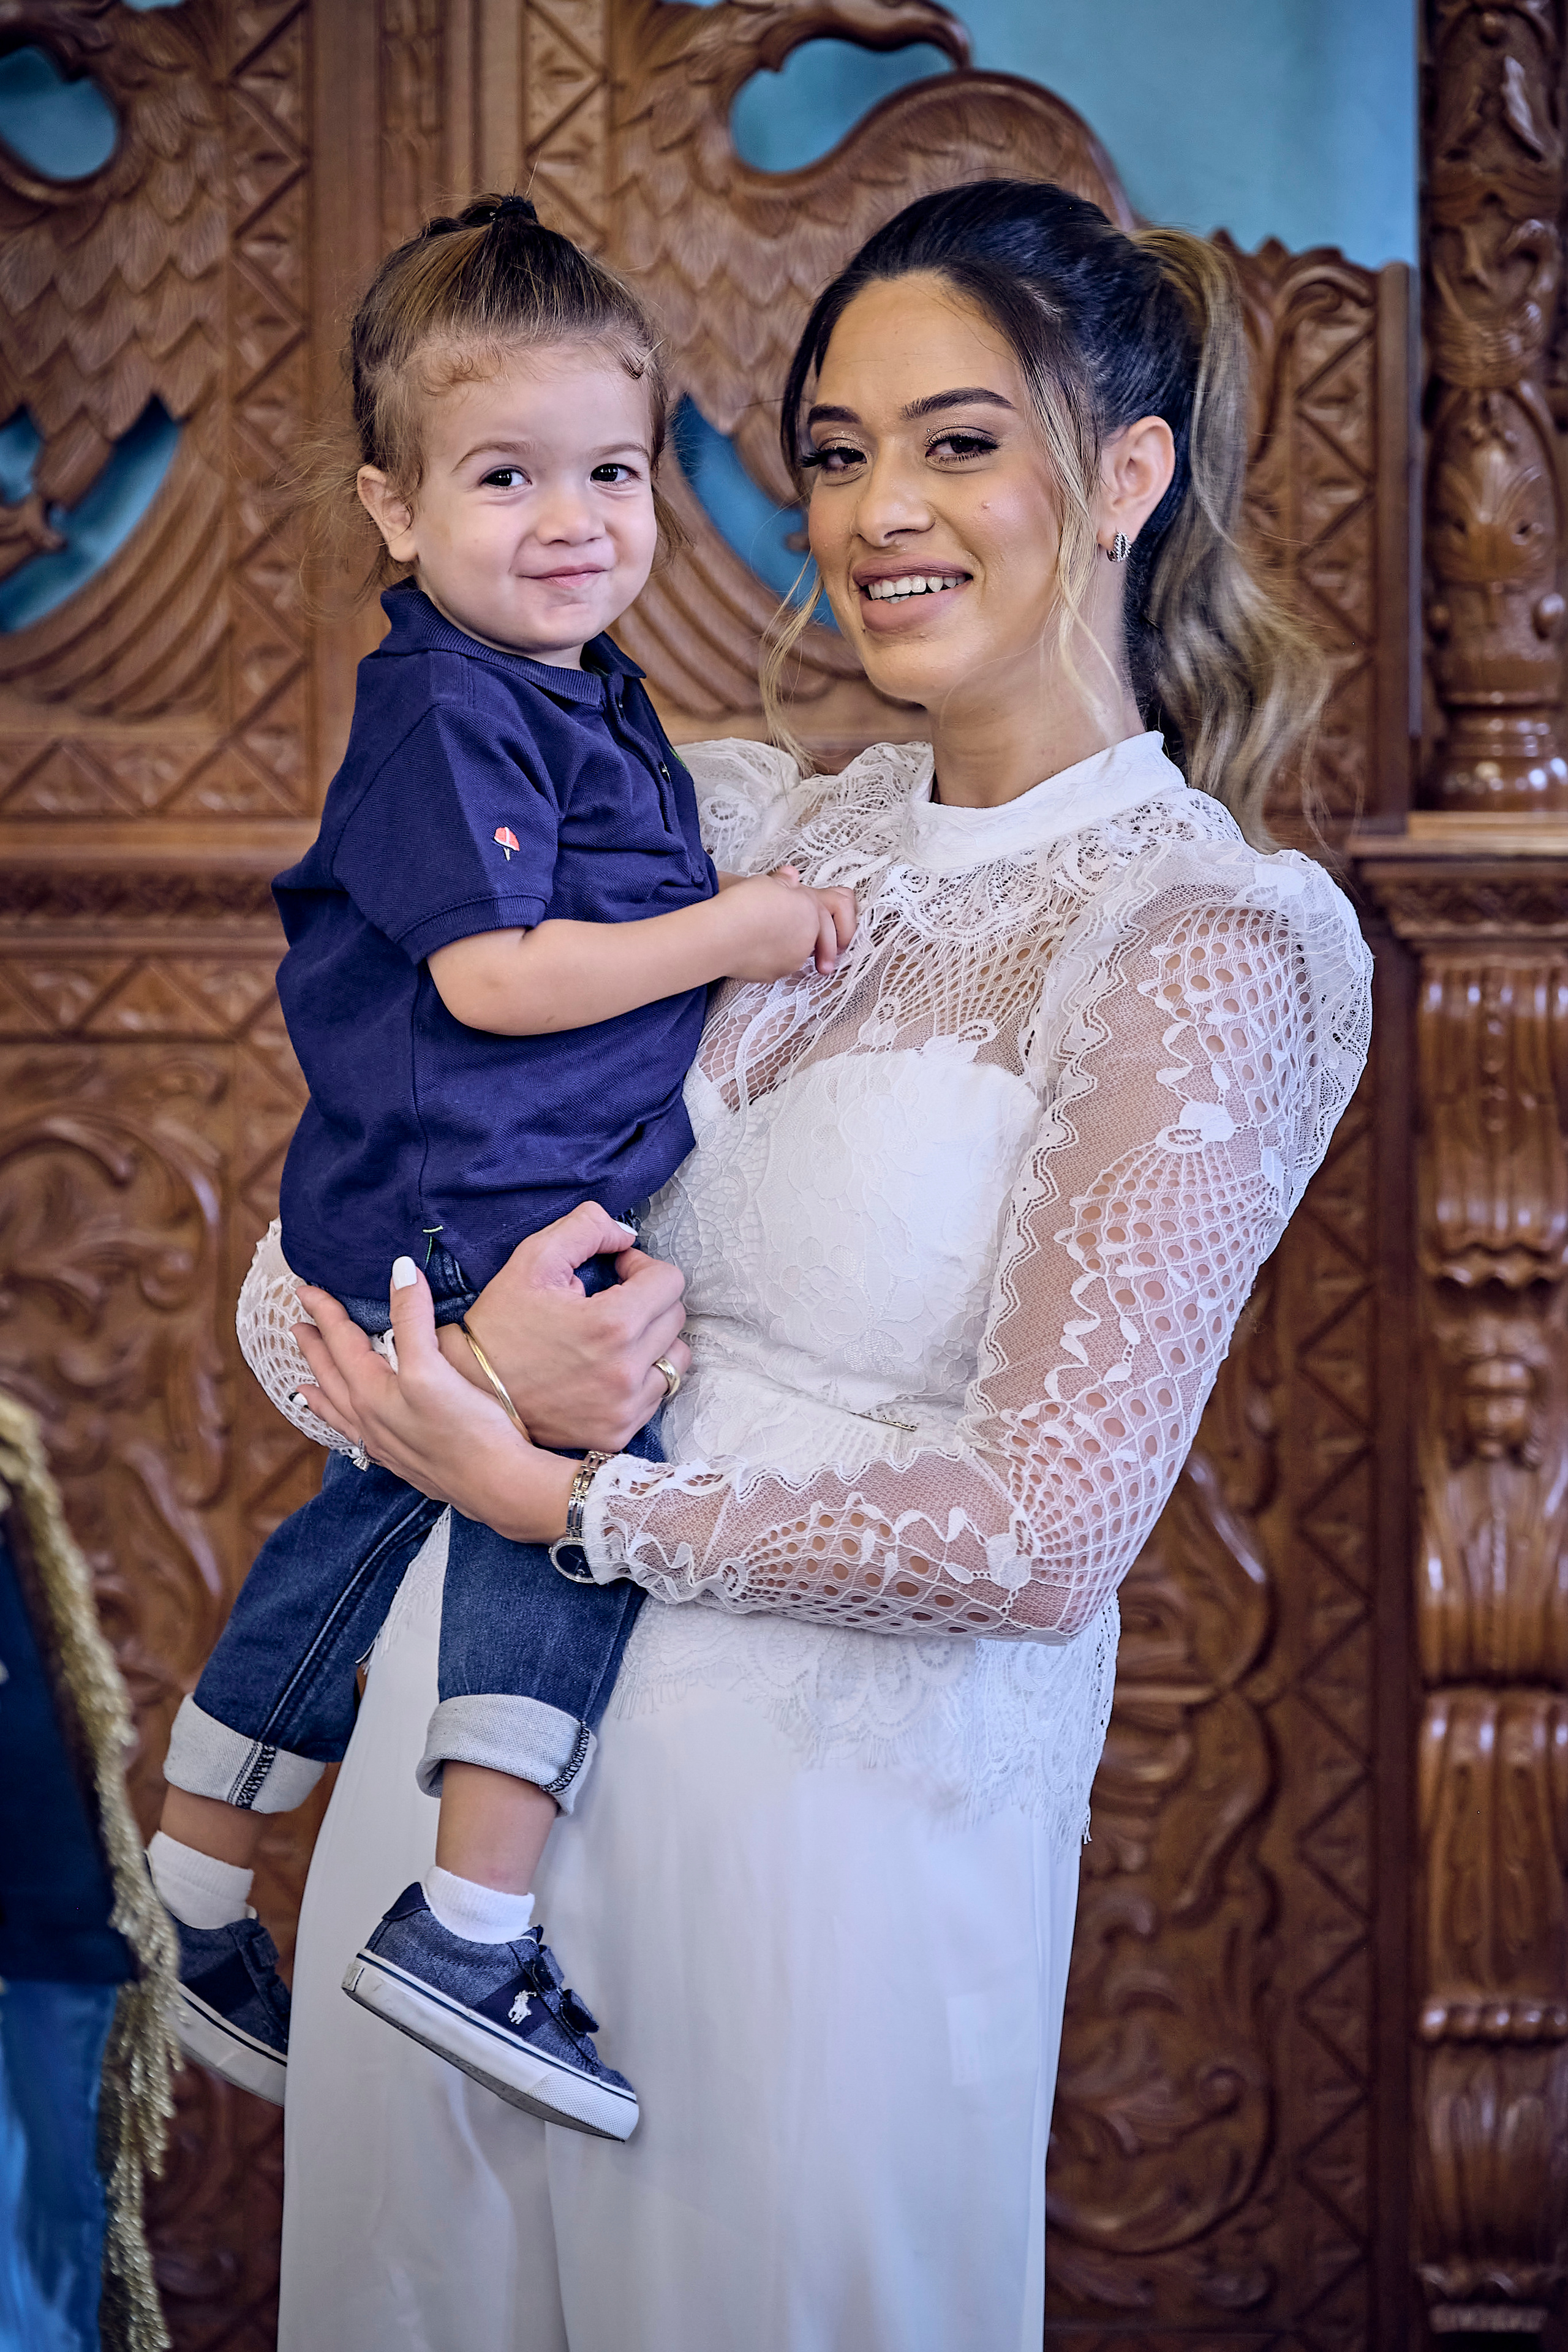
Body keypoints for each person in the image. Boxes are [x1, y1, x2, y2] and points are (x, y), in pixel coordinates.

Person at [272, 179, 1373, 2350]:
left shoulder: (1202, 940)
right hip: (459, 1826)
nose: (882, 510)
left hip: (824, 1883)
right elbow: (298, 1252)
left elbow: (1046, 1533)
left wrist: (575, 1501)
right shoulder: (740, 821)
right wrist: (464, 1345)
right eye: (840, 452)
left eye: (960, 441)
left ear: (1129, 473)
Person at [146, 194, 854, 2138]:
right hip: (477, 1189)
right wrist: (735, 933)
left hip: (467, 1182)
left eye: (611, 470)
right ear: (391, 508)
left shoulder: (560, 683)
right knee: (559, 1495)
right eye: (504, 475)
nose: (574, 519)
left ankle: (194, 1878)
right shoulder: (452, 702)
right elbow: (493, 970)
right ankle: (471, 1914)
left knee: (372, 1511)